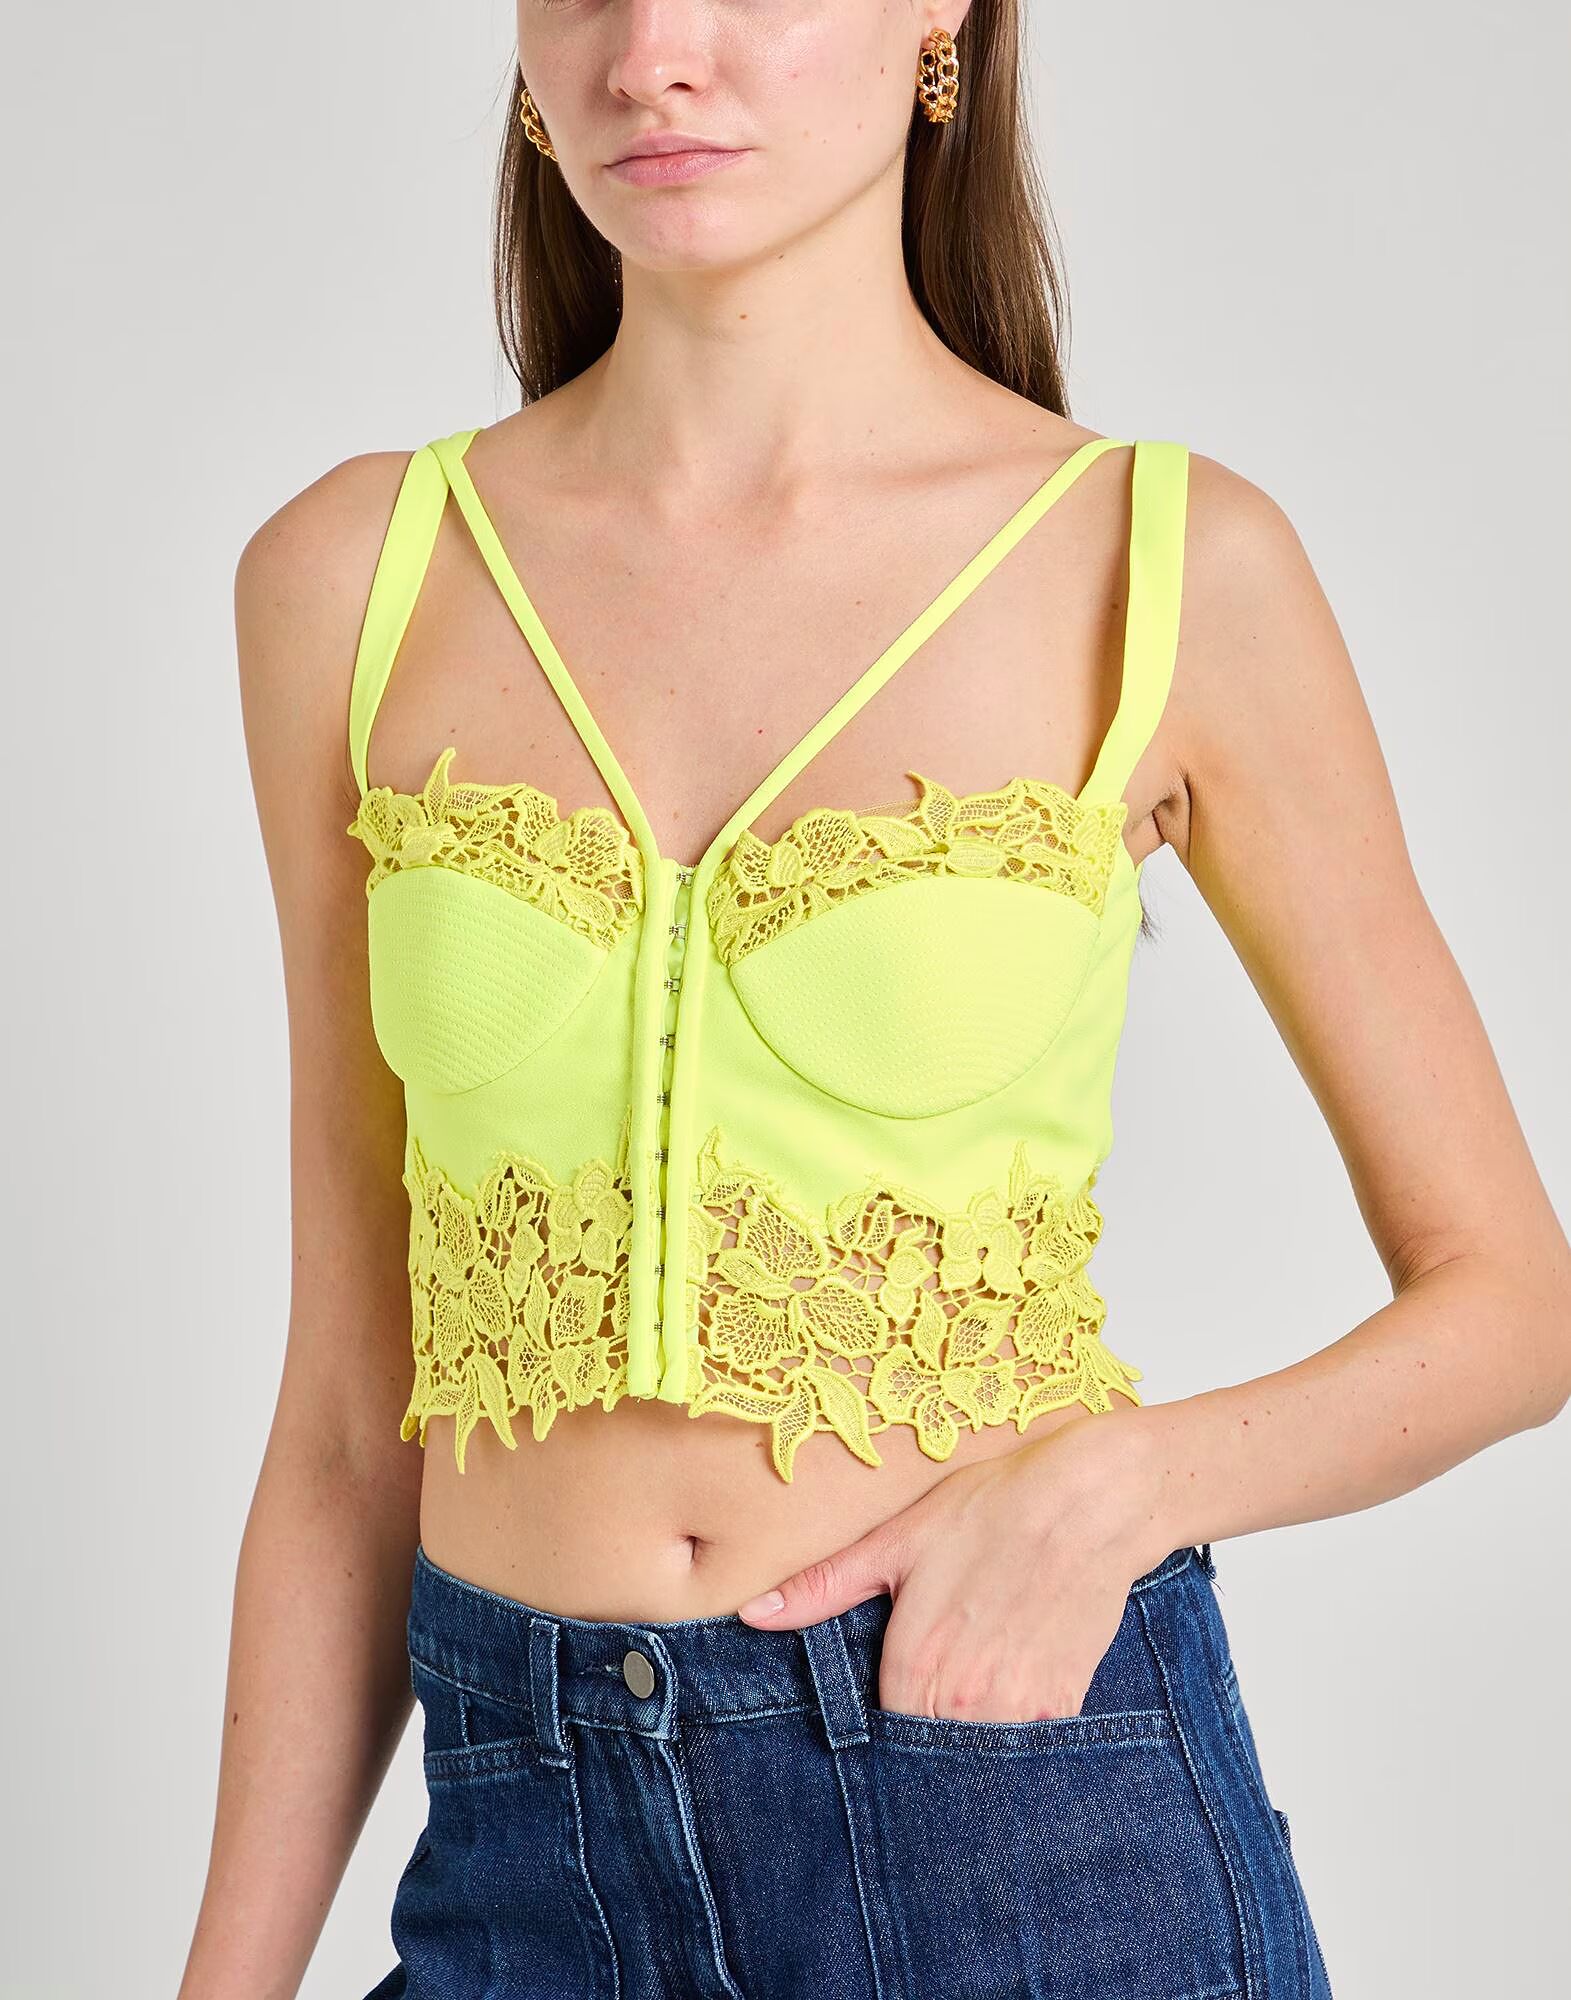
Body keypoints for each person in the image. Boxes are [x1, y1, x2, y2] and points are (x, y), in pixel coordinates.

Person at [182, 6, 1571, 1997]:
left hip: (1013, 1817)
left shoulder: (1165, 568)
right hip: (524, 1850)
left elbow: (1512, 1301)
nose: (655, 51)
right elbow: (345, 1418)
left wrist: (1119, 1487)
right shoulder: (352, 578)